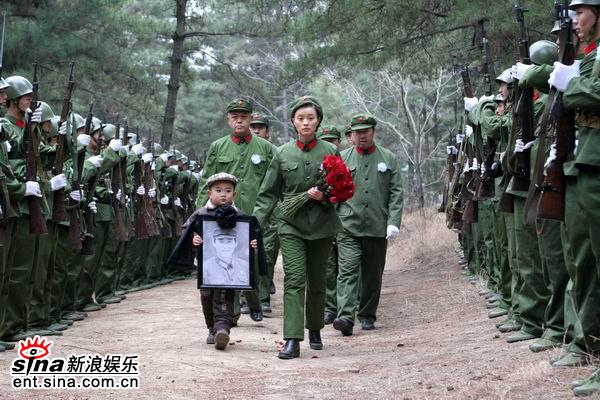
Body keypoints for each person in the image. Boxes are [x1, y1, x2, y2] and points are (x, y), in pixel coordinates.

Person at [254, 95, 341, 359]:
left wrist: (325, 197)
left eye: (311, 118)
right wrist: (253, 226)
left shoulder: (330, 151)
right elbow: (268, 194)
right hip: (291, 225)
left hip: (322, 226)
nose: (306, 123)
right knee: (294, 279)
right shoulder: (282, 153)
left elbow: (342, 189)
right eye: (301, 118)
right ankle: (292, 338)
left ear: (318, 121)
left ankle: (314, 327)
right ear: (293, 122)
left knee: (318, 280)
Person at [198, 98, 275, 323]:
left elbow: (272, 184)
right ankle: (230, 314)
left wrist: (266, 215)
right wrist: (201, 215)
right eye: (235, 116)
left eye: (244, 116)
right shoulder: (218, 146)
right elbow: (206, 181)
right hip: (222, 216)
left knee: (253, 260)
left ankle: (255, 302)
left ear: (251, 118)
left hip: (254, 215)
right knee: (228, 262)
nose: (239, 120)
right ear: (228, 119)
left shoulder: (265, 148)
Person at [332, 114, 403, 335]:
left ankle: (367, 314)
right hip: (347, 226)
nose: (361, 135)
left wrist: (393, 222)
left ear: (373, 131)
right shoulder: (342, 158)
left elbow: (396, 193)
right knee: (347, 271)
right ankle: (344, 316)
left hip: (376, 226)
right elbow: (332, 192)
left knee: (372, 275)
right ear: (351, 134)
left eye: (366, 131)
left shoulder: (388, 158)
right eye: (357, 132)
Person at [172, 172, 259, 351]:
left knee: (225, 296)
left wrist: (252, 243)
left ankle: (222, 329)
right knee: (206, 297)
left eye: (228, 190)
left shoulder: (241, 216)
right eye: (218, 190)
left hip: (230, 270)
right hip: (206, 269)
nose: (223, 194)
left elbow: (248, 237)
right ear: (210, 193)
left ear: (234, 195)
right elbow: (185, 231)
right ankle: (212, 328)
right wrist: (193, 238)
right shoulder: (200, 214)